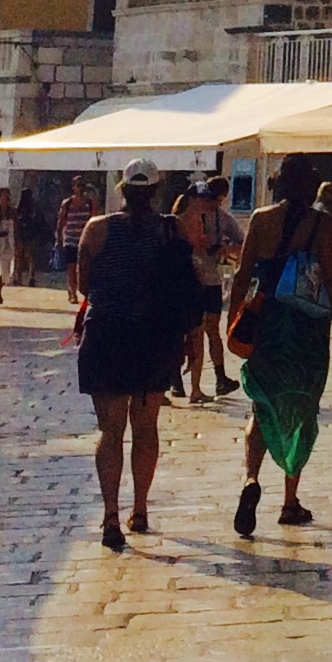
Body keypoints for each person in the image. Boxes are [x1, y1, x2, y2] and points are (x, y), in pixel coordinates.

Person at [70, 162, 199, 551]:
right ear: (157, 191)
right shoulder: (172, 229)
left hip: (108, 334)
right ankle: (140, 508)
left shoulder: (97, 229)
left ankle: (111, 514)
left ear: (122, 189)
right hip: (154, 339)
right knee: (147, 427)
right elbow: (185, 285)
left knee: (110, 431)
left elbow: (85, 283)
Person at [226, 156, 332, 538]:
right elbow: (331, 278)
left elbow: (243, 272)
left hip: (266, 320)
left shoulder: (262, 219)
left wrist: (233, 319)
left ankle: (250, 478)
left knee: (262, 402)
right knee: (300, 406)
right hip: (306, 327)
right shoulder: (322, 224)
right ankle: (289, 501)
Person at [175, 178, 242, 404]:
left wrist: (224, 249)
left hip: (210, 279)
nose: (210, 202)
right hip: (188, 281)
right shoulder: (180, 220)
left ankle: (213, 379)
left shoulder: (221, 218)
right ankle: (177, 379)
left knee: (207, 330)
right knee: (189, 332)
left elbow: (241, 241)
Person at [52, 182, 94, 277]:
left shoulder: (90, 203)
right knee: (71, 266)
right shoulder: (67, 203)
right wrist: (58, 238)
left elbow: (93, 221)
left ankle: (78, 286)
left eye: (82, 185)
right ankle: (72, 289)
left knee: (82, 266)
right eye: (78, 185)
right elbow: (61, 221)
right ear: (73, 187)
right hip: (70, 240)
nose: (81, 188)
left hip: (84, 240)